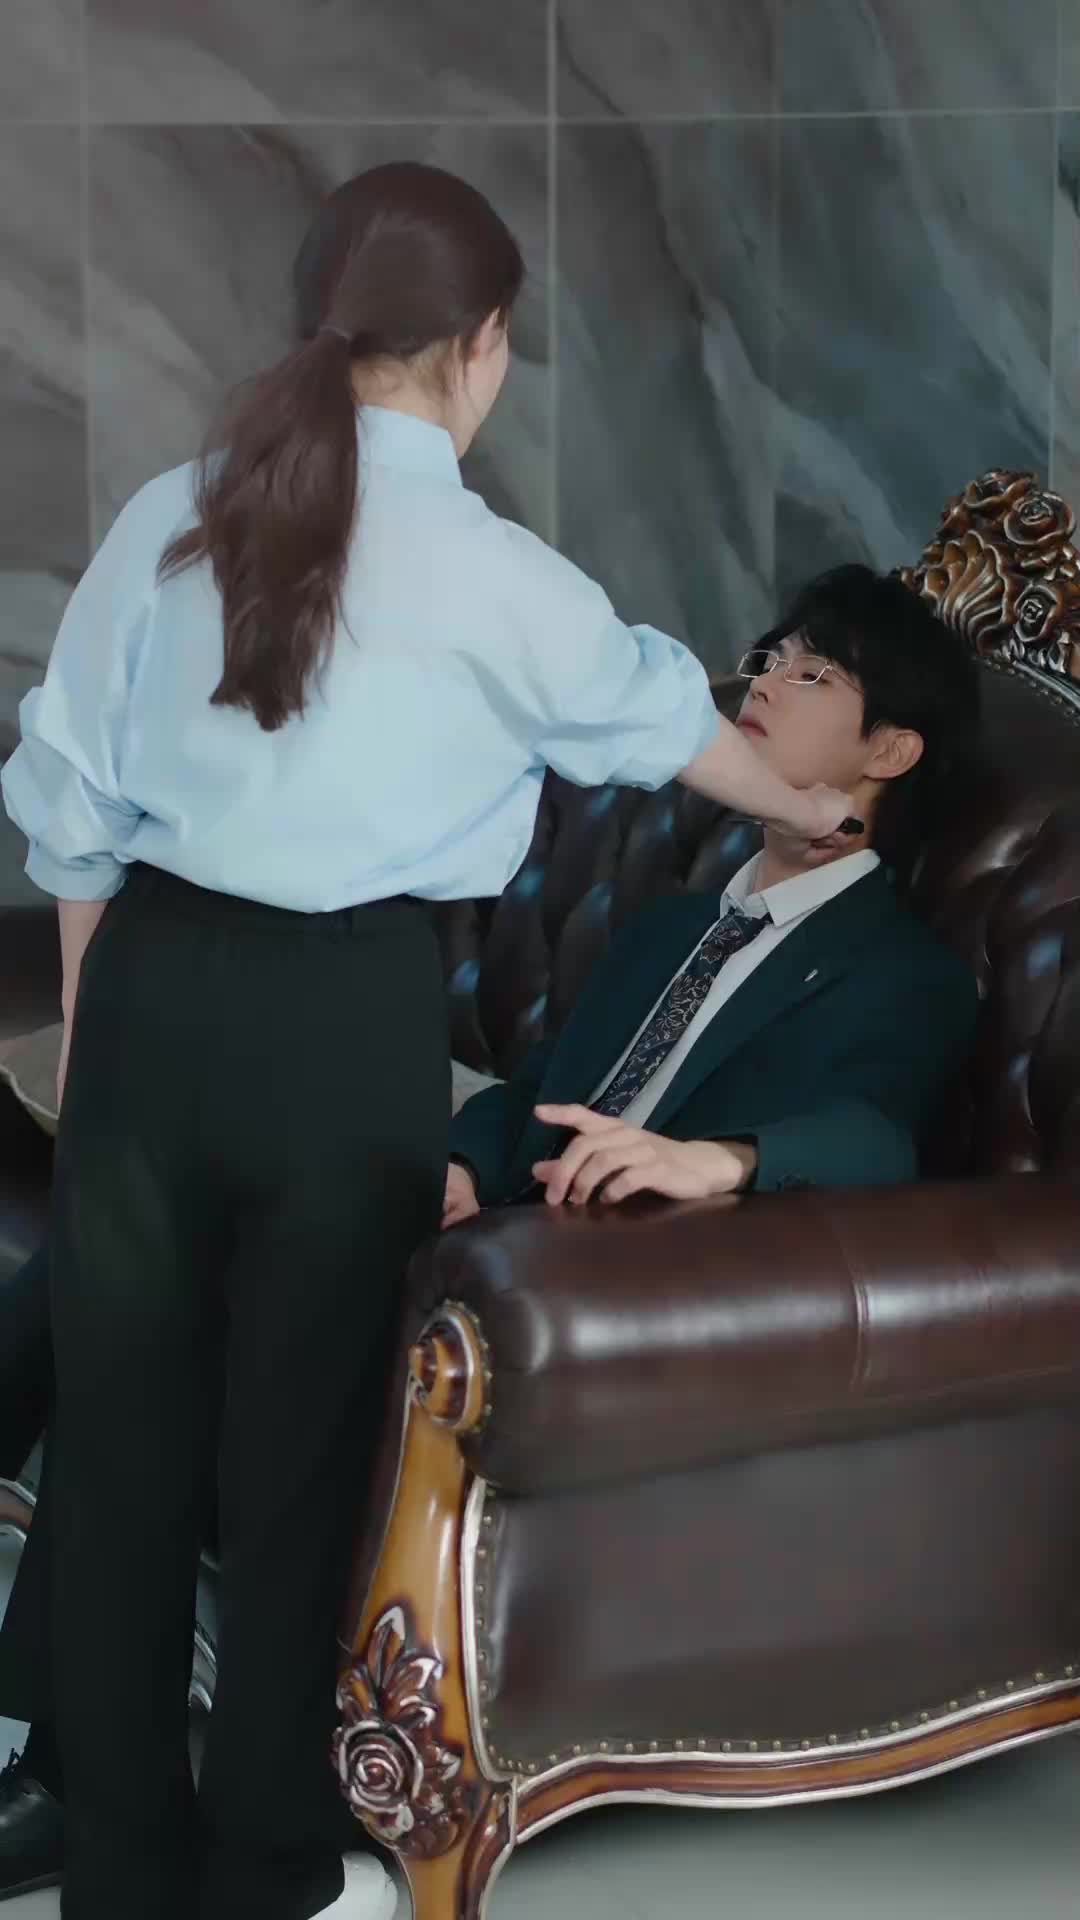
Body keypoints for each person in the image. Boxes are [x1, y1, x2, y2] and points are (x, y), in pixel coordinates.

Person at [0, 162, 849, 1920]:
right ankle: (263, 1872)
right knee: (298, 1463)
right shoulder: (496, 573)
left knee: (122, 1451)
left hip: (156, 995)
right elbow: (667, 721)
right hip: (348, 1026)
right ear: (484, 346)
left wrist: (96, 1033)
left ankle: (119, 1879)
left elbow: (69, 808)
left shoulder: (175, 510)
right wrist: (818, 811)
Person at [444, 564, 981, 1225]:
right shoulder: (666, 928)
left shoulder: (906, 971)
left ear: (891, 753)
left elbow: (875, 1137)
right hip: (507, 1229)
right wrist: (463, 1165)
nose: (764, 686)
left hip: (646, 1256)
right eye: (769, 661)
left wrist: (718, 1161)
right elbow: (539, 1089)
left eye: (812, 674)